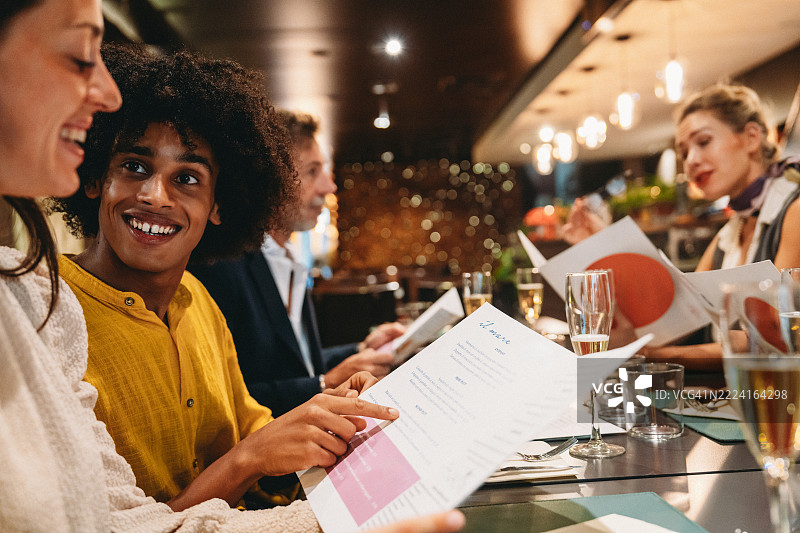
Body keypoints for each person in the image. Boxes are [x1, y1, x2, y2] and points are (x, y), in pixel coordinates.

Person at [0, 2, 465, 531]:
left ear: (220, 204)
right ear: (93, 180)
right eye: (133, 166)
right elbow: (131, 522)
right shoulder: (46, 313)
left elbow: (260, 438)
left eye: (187, 179)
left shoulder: (198, 301)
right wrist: (252, 457)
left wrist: (331, 417)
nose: (155, 196)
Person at [564, 84, 800, 370]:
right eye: (684, 153)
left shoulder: (794, 211)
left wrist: (647, 354)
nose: (691, 162)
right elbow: (683, 320)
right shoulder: (730, 233)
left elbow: (773, 338)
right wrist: (601, 246)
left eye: (703, 142)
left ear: (751, 137)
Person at [191, 110, 403, 416]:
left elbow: (299, 364)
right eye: (313, 171)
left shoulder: (288, 258)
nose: (329, 187)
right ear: (267, 180)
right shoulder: (221, 266)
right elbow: (224, 398)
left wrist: (362, 349)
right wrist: (324, 384)